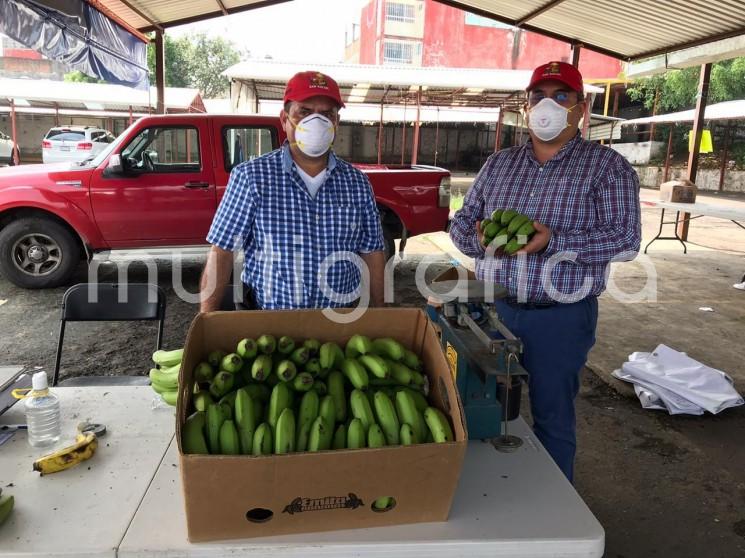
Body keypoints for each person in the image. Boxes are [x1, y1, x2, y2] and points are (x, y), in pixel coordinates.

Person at [450, 61, 641, 482]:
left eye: (561, 96)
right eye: (538, 96)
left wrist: (555, 241)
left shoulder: (607, 167)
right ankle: (496, 503)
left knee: (553, 419)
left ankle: (558, 527)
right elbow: (460, 225)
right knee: (484, 413)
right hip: (492, 314)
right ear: (525, 104)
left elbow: (626, 239)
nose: (547, 105)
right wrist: (478, 240)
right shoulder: (500, 164)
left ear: (581, 107)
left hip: (560, 317)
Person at [200, 71, 385, 312]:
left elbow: (373, 252)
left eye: (327, 114)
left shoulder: (357, 183)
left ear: (336, 122)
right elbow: (222, 251)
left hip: (341, 323)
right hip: (268, 324)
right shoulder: (252, 178)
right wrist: (206, 320)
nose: (317, 123)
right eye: (305, 112)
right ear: (285, 119)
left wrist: (382, 312)